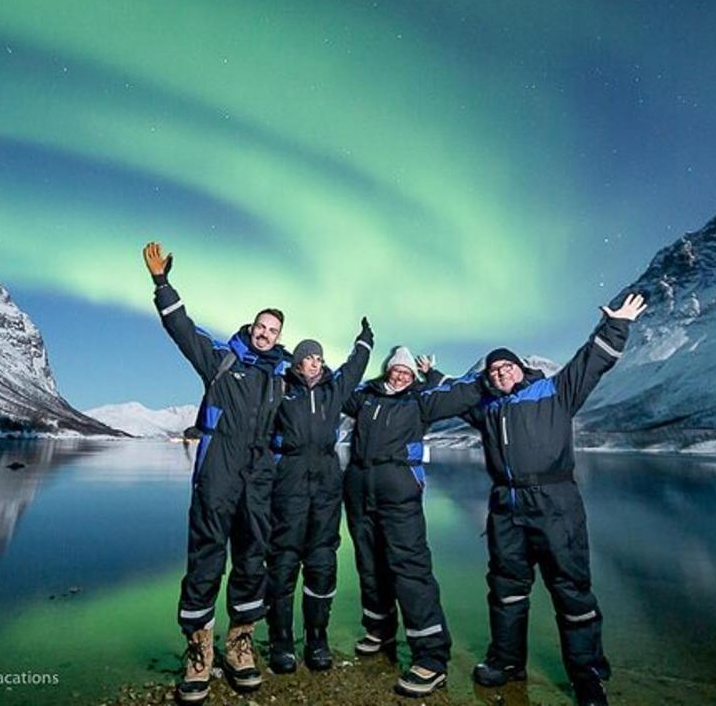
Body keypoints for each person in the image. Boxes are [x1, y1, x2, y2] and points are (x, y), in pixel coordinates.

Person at [458, 292, 647, 706]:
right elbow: (448, 395)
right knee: (506, 587)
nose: (500, 373)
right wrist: (428, 374)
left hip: (555, 503)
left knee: (571, 588)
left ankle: (587, 677)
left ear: (520, 368)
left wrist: (616, 324)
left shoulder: (554, 391)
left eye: (506, 366)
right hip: (506, 507)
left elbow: (591, 363)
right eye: (493, 370)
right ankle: (507, 662)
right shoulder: (488, 409)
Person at [143, 241, 291, 704]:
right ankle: (198, 648)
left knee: (252, 557)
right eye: (261, 327)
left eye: (274, 330)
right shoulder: (222, 360)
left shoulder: (282, 375)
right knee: (207, 555)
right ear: (251, 328)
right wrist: (162, 283)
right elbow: (181, 328)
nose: (265, 334)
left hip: (258, 479)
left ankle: (241, 642)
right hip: (217, 473)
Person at [342, 347, 484, 697]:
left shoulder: (420, 401)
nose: (401, 375)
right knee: (369, 564)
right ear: (387, 370)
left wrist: (437, 377)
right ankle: (380, 630)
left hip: (400, 495)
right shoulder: (366, 397)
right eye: (396, 369)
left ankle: (431, 656)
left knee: (410, 568)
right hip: (360, 491)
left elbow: (462, 393)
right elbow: (334, 388)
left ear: (413, 377)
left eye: (407, 372)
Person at [265, 319, 375, 674]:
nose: (316, 362)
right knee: (283, 563)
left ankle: (317, 638)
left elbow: (355, 368)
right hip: (290, 482)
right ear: (298, 362)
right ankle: (281, 642)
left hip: (327, 484)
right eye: (310, 357)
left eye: (319, 357)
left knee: (322, 562)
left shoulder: (333, 390)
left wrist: (365, 340)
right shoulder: (281, 389)